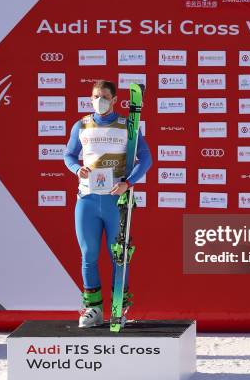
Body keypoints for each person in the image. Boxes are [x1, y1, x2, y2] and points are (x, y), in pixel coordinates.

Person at [64, 80, 152, 328]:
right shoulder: (81, 125)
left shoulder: (127, 125)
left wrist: (129, 182)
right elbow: (69, 154)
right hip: (87, 199)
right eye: (94, 96)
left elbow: (145, 158)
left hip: (116, 200)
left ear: (114, 99)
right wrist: (75, 168)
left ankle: (118, 308)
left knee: (119, 256)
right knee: (89, 255)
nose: (98, 101)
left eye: (104, 96)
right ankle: (92, 308)